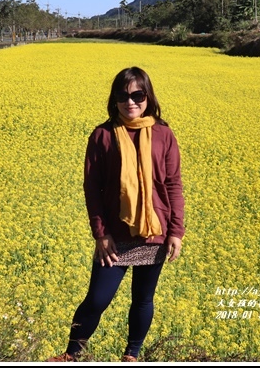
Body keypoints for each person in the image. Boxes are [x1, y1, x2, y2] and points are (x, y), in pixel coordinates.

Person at [48, 66, 185, 362]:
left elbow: (173, 184)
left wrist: (176, 231)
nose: (130, 101)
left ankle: (131, 355)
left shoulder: (163, 134)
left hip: (154, 232)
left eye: (137, 94)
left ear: (148, 97)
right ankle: (72, 354)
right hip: (115, 235)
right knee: (97, 299)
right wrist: (101, 233)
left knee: (143, 300)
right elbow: (92, 188)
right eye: (123, 95)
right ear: (114, 98)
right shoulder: (103, 135)